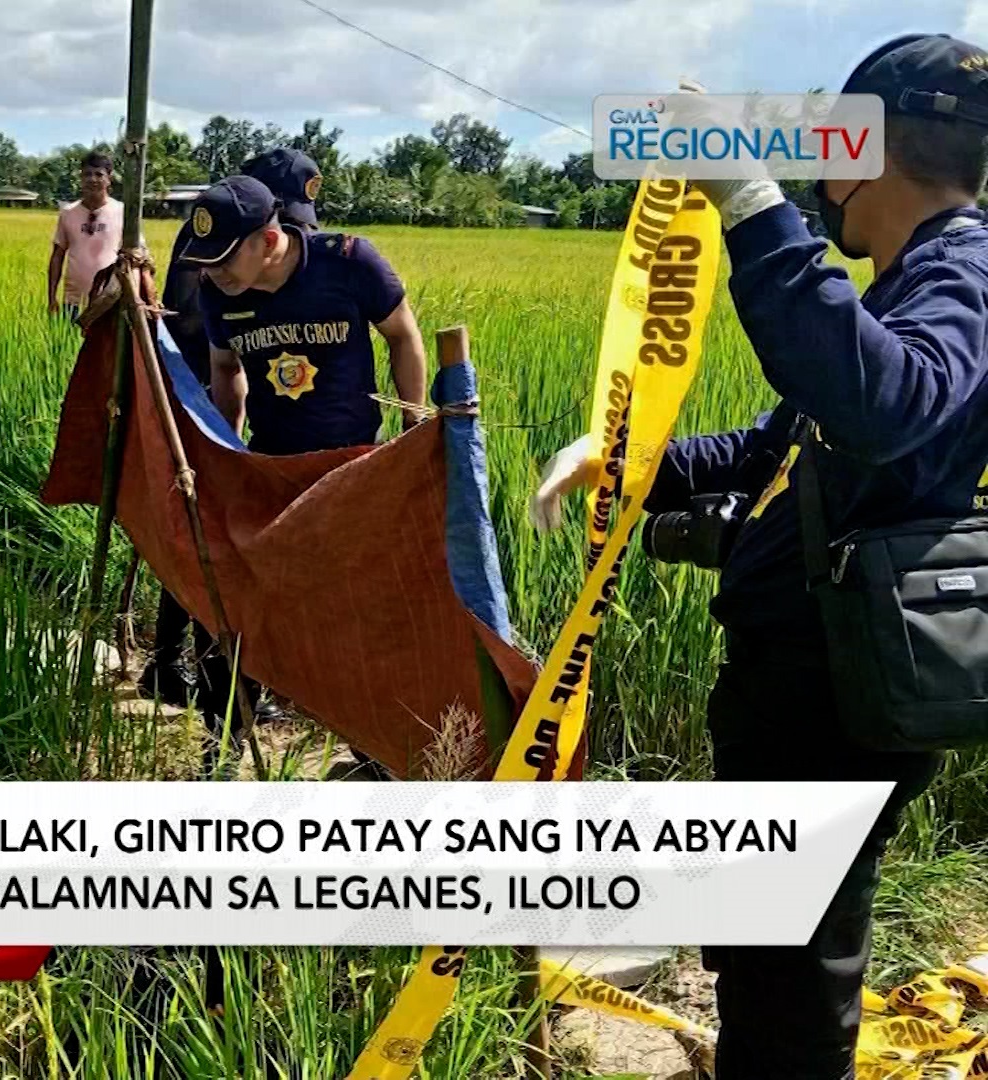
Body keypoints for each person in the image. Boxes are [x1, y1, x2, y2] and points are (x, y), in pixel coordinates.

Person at [530, 34, 988, 1078]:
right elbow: (780, 447)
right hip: (798, 689)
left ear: (859, 152)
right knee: (764, 956)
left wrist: (751, 205)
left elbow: (885, 402)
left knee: (791, 977)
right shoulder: (908, 280)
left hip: (839, 700)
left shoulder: (969, 271)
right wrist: (625, 459)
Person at [173, 174, 428, 746]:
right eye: (204, 262)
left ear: (267, 242)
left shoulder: (349, 262)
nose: (210, 274)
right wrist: (226, 456)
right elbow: (225, 371)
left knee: (360, 611)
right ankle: (228, 737)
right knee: (241, 603)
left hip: (351, 467)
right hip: (271, 467)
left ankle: (371, 744)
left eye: (221, 260)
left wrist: (413, 427)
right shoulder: (219, 294)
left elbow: (403, 335)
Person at [139, 148, 327, 714]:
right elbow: (216, 344)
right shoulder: (216, 244)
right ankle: (208, 677)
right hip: (201, 403)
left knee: (199, 531)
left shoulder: (225, 232)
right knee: (208, 538)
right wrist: (229, 431)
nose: (293, 232)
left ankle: (176, 664)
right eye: (286, 216)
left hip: (213, 403)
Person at [47, 151, 121, 321]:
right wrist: (51, 297)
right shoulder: (68, 213)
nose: (93, 179)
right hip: (72, 301)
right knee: (69, 346)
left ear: (109, 178)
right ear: (81, 178)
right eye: (87, 174)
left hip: (110, 299)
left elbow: (136, 256)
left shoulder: (122, 212)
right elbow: (57, 256)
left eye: (99, 174)